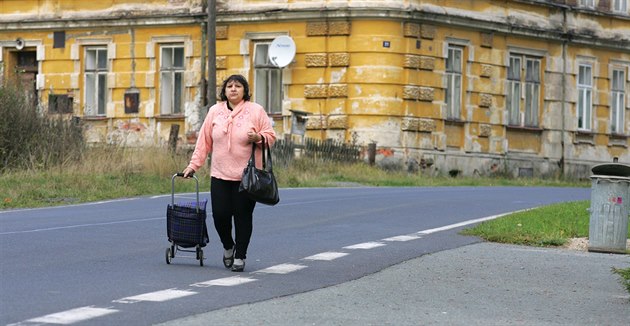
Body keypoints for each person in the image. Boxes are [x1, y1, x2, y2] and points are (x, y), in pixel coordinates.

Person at [182, 74, 276, 272]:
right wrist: (193, 166)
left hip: (247, 177)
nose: (233, 89)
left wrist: (258, 137)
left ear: (245, 90)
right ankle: (228, 246)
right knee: (220, 215)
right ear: (224, 91)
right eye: (229, 86)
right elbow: (204, 142)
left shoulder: (255, 110)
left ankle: (240, 256)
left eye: (238, 86)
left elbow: (271, 137)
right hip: (220, 174)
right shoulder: (215, 111)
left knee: (242, 217)